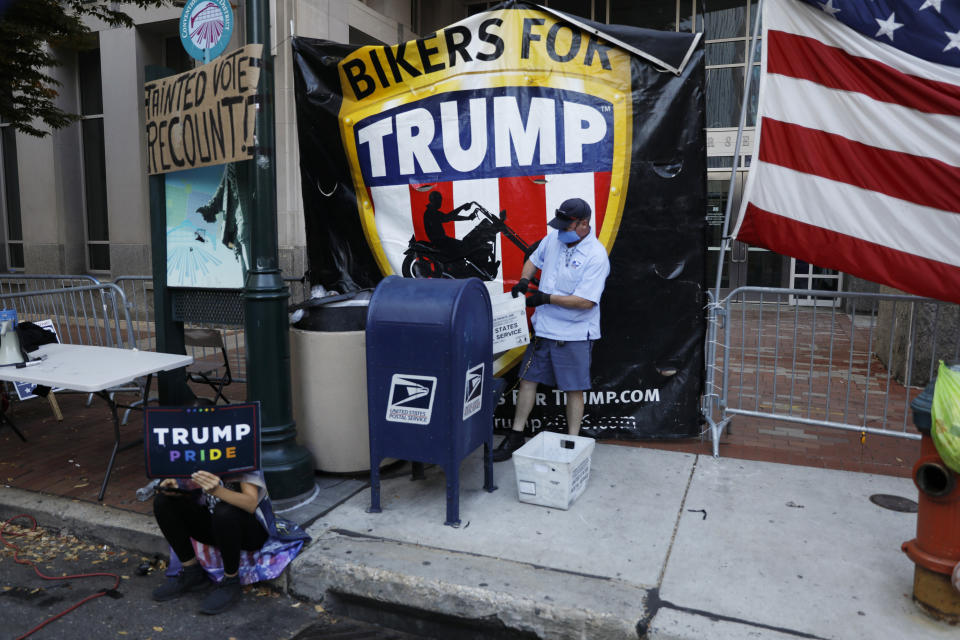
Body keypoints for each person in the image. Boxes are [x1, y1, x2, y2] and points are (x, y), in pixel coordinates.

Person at [493, 197, 610, 462]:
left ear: (583, 224)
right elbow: (533, 259)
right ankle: (515, 435)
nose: (560, 232)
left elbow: (586, 301)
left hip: (575, 333)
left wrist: (545, 298)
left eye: (566, 227)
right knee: (527, 381)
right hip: (544, 329)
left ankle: (572, 443)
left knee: (574, 389)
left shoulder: (596, 256)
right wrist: (524, 280)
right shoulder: (554, 239)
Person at [151, 470, 269, 614]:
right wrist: (174, 488)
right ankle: (191, 572)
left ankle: (230, 581)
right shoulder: (199, 451)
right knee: (163, 501)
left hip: (249, 531)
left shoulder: (241, 452)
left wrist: (217, 491)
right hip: (215, 525)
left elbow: (251, 503)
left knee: (224, 511)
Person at [422, 190, 475, 257]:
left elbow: (449, 216)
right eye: (438, 200)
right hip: (440, 241)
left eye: (440, 200)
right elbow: (449, 217)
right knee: (464, 247)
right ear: (433, 201)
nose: (440, 203)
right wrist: (468, 217)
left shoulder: (431, 211)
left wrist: (462, 207)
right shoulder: (431, 213)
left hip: (442, 240)